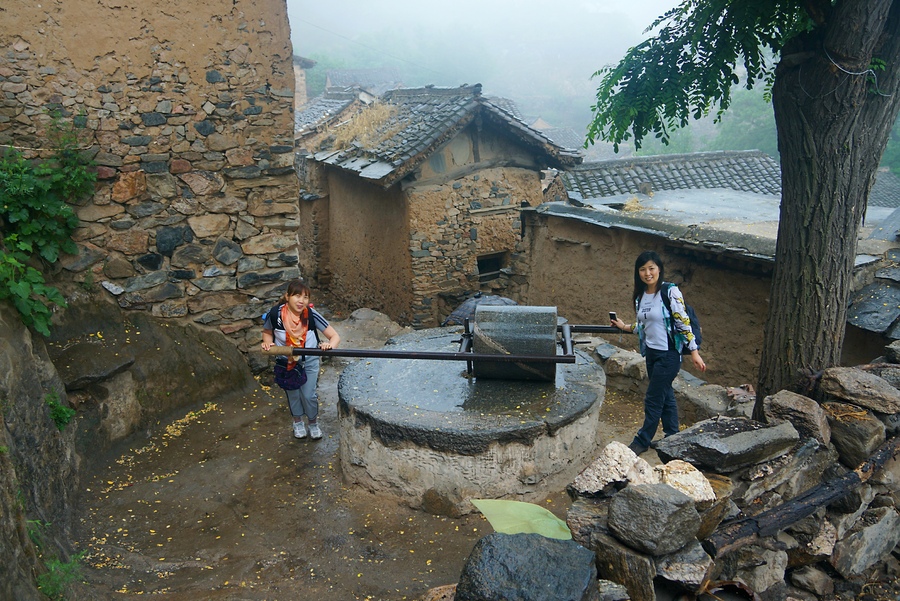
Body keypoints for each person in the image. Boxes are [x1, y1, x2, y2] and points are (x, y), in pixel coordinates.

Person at [610, 250, 706, 455]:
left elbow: (683, 323)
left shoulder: (670, 291)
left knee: (653, 398)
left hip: (669, 355)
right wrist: (623, 326)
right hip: (652, 354)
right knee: (666, 395)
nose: (647, 273)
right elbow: (643, 326)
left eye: (651, 268)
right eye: (643, 269)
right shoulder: (641, 296)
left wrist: (694, 352)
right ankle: (673, 437)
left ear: (659, 269)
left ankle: (643, 440)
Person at [261, 279, 340, 440]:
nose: (301, 301)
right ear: (288, 296)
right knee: (293, 394)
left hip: (309, 361)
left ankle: (313, 423)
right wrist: (268, 343)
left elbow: (334, 336)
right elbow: (267, 332)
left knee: (308, 394)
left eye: (305, 297)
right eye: (297, 296)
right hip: (286, 363)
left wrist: (328, 345)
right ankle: (297, 422)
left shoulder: (310, 314)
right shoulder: (275, 314)